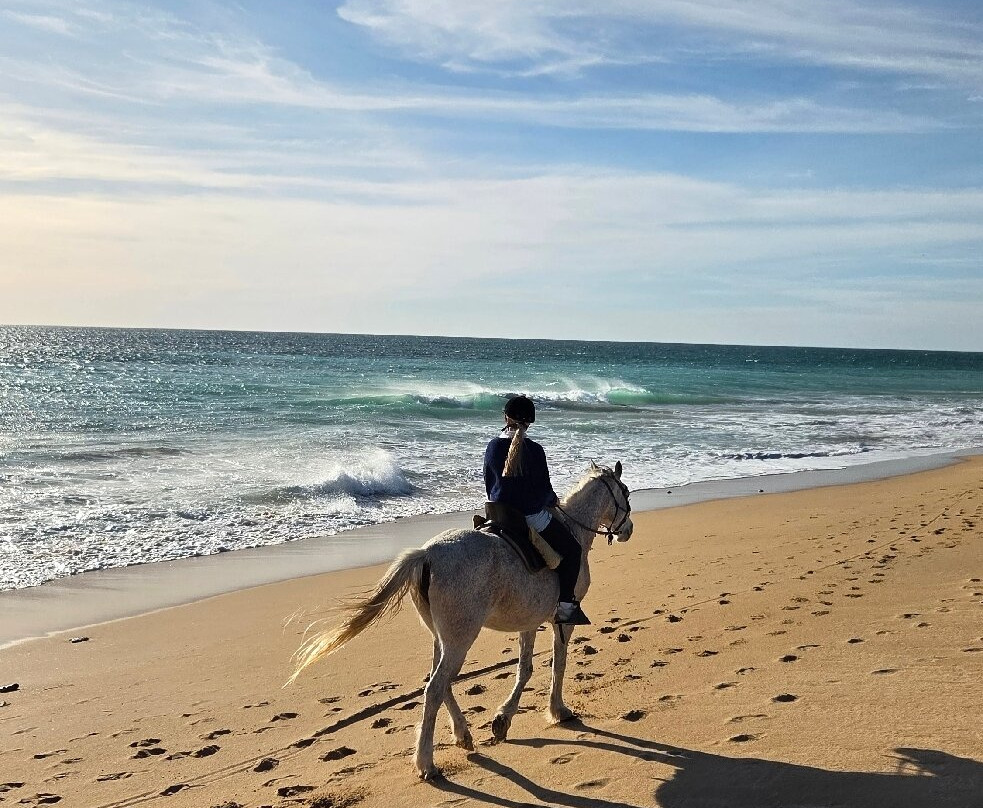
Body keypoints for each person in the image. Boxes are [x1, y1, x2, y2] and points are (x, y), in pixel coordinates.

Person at [483, 395, 590, 625]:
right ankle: (565, 607)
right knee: (573, 551)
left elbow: (489, 484)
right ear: (529, 422)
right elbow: (544, 491)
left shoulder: (492, 446)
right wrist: (552, 500)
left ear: (505, 418)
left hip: (498, 513)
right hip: (529, 516)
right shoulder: (535, 451)